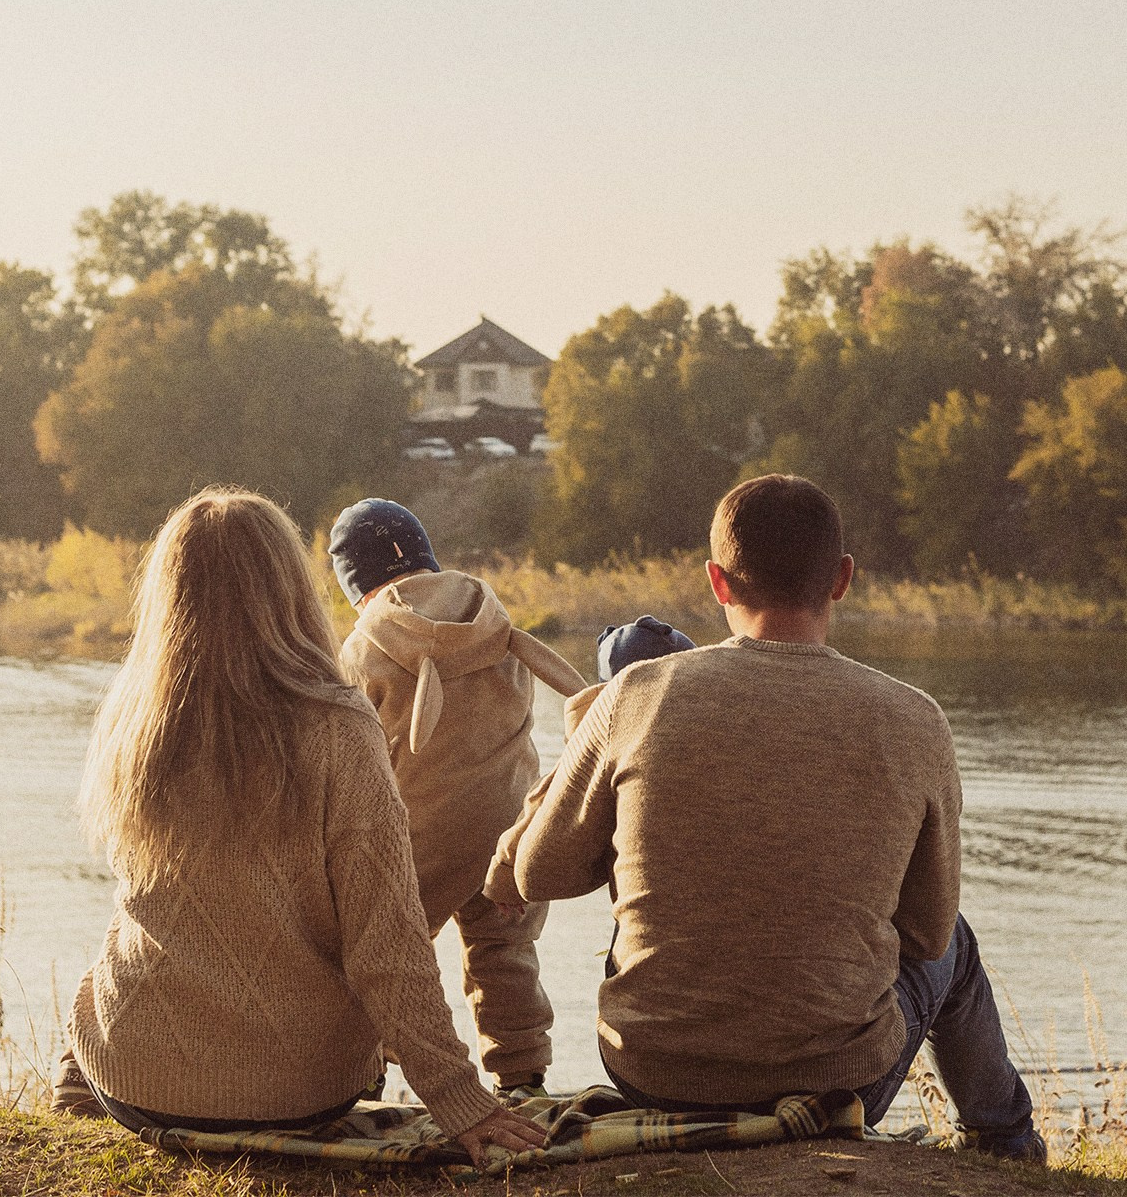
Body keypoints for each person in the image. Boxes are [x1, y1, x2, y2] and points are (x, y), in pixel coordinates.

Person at [512, 474, 1045, 1162]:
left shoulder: (637, 694)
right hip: (842, 1082)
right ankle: (1006, 1147)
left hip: (652, 1075)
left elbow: (536, 872)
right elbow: (929, 929)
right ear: (842, 579)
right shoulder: (916, 720)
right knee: (959, 946)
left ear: (717, 582)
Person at [66, 487, 543, 1166]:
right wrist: (461, 1100)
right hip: (301, 1090)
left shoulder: (132, 721)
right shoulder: (339, 726)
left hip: (137, 1083)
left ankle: (70, 1099)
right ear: (290, 589)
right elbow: (389, 943)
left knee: (126, 937)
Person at [328, 498, 586, 1097]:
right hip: (517, 827)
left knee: (387, 961)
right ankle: (522, 1078)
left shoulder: (364, 650)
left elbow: (347, 758)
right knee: (505, 954)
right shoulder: (495, 622)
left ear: (354, 583)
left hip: (423, 840)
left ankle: (368, 1076)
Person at [484, 615, 696, 916]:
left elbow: (546, 802)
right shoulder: (699, 727)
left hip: (639, 916)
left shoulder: (603, 736)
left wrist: (503, 874)